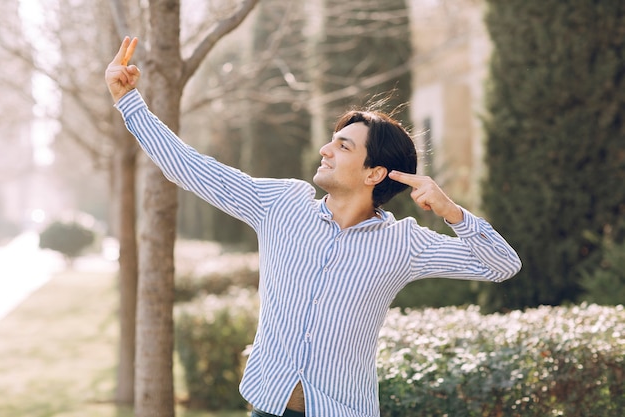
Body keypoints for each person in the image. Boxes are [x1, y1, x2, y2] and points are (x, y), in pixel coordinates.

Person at [106, 37, 521, 417]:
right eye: (332, 139)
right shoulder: (283, 205)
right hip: (267, 403)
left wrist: (452, 213)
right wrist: (129, 101)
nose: (325, 149)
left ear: (375, 173)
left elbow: (502, 265)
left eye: (343, 146)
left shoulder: (404, 243)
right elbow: (191, 168)